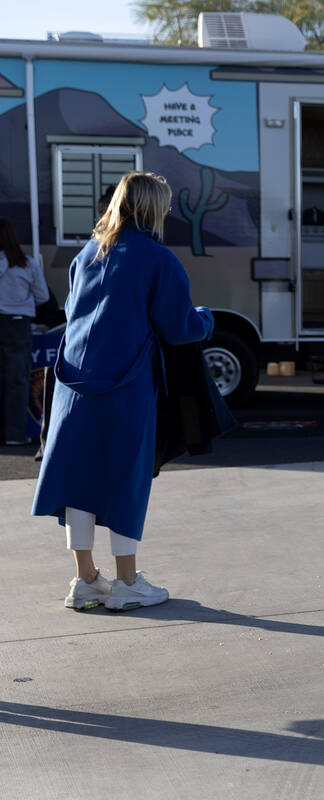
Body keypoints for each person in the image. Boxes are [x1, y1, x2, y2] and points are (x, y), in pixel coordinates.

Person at [31, 172, 214, 612]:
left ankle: (86, 580)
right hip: (126, 383)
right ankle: (128, 583)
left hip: (72, 382)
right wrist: (206, 318)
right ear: (153, 209)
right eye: (166, 206)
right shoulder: (157, 258)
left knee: (77, 479)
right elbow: (180, 326)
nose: (169, 212)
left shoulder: (88, 252)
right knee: (125, 478)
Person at [0, 218, 50, 446]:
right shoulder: (27, 264)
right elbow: (43, 297)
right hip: (18, 324)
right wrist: (22, 301)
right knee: (17, 381)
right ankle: (15, 435)